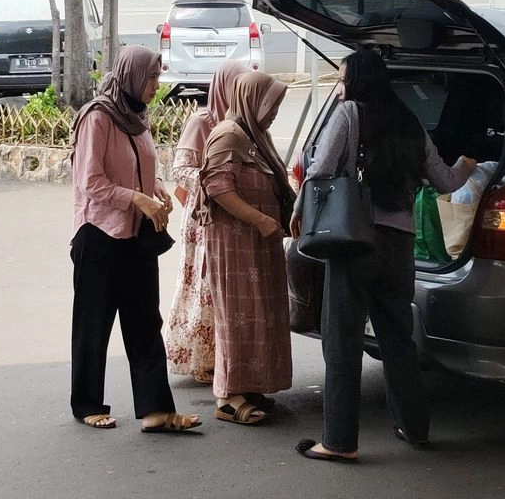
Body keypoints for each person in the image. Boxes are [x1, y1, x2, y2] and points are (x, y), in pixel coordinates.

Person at [292, 50, 476, 463]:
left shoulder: (349, 114)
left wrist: (297, 214)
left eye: (342, 79)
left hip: (354, 241)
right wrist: (467, 163)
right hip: (399, 247)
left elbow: (320, 171)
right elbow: (446, 180)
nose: (340, 87)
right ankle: (415, 429)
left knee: (342, 341)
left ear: (357, 80)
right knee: (398, 340)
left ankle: (339, 442)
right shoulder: (410, 122)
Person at [68, 45, 202, 434]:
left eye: (158, 77)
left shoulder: (136, 118)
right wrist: (137, 197)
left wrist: (155, 188)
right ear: (131, 76)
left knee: (145, 322)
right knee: (94, 325)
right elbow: (90, 181)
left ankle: (156, 409)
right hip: (99, 236)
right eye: (152, 78)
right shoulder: (98, 117)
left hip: (137, 236)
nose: (156, 86)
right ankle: (87, 404)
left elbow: (140, 167)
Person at [197, 71, 295, 425]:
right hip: (236, 244)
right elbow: (218, 188)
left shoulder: (255, 136)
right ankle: (227, 396)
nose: (273, 113)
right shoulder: (229, 135)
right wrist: (260, 219)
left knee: (260, 314)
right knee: (238, 317)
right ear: (252, 100)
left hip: (258, 242)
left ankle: (251, 385)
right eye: (271, 105)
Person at [165, 61, 248, 384]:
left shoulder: (244, 124)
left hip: (231, 214)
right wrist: (216, 181)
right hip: (203, 216)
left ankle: (222, 358)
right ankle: (199, 358)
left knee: (223, 288)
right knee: (203, 284)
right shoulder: (204, 121)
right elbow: (180, 169)